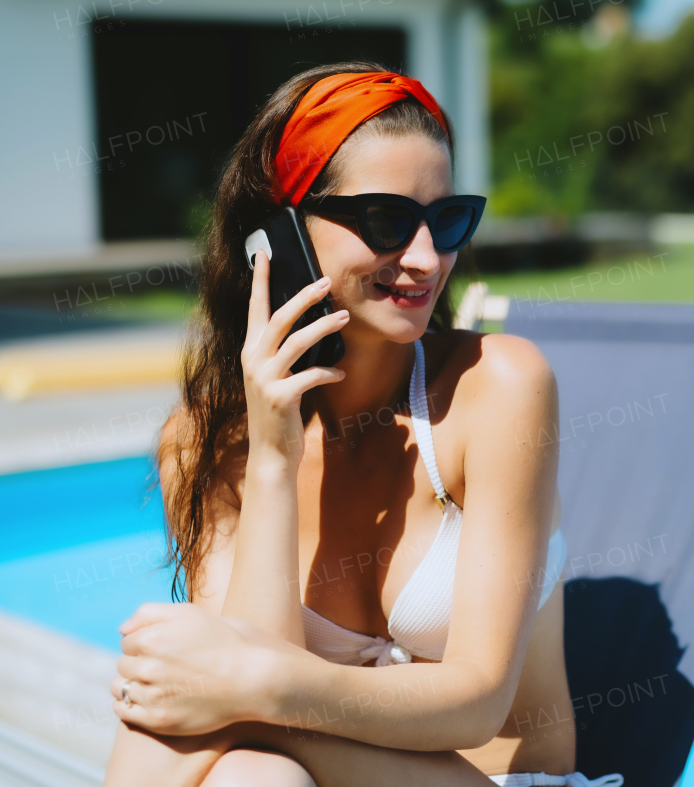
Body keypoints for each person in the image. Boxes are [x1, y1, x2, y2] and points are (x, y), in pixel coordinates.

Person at [100, 62, 625, 787]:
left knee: (200, 727)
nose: (426, 258)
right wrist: (275, 461)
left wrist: (254, 687)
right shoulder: (204, 441)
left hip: (496, 780)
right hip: (299, 766)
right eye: (386, 220)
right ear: (279, 236)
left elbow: (476, 702)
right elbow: (250, 681)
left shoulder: (496, 387)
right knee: (254, 777)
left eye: (447, 222)